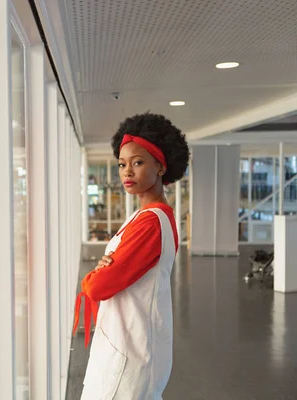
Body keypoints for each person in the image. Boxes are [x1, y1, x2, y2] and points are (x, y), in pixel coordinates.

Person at [74, 112, 189, 400]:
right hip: (123, 345)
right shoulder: (143, 215)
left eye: (138, 162)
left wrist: (93, 277)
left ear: (161, 166)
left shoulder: (151, 222)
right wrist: (103, 272)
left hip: (129, 356)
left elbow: (99, 287)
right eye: (122, 164)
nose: (127, 172)